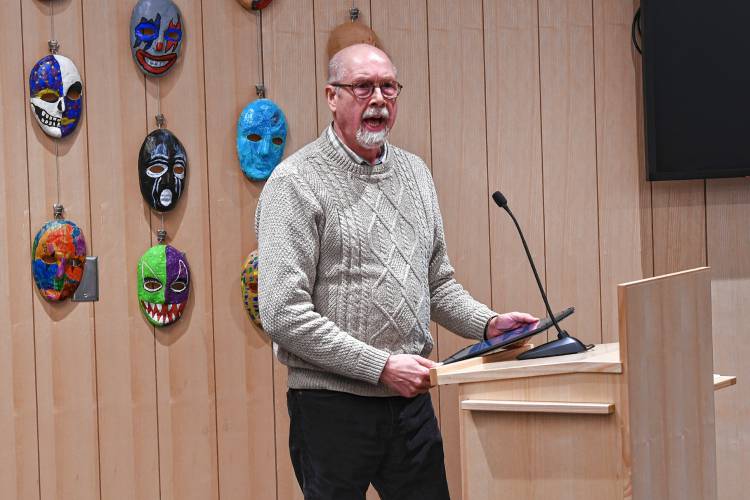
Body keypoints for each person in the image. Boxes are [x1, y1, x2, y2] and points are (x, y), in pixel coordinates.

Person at [255, 42, 538, 500]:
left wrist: (487, 324)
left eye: (389, 87)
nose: (380, 99)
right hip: (329, 407)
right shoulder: (294, 182)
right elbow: (283, 314)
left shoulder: (415, 173)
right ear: (332, 96)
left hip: (410, 405)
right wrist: (381, 366)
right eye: (363, 87)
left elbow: (438, 285)